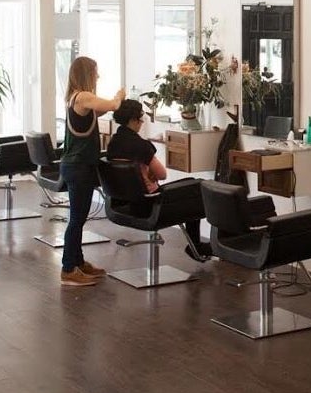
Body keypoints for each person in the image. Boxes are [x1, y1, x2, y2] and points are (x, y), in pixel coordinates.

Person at [107, 99, 210, 261]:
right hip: (151, 206)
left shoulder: (113, 143)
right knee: (197, 186)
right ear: (133, 120)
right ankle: (196, 245)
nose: (141, 123)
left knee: (191, 181)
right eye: (140, 119)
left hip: (123, 205)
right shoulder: (140, 145)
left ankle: (196, 245)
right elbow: (162, 174)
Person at [59, 57, 125, 286]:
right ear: (87, 73)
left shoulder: (74, 98)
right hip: (78, 167)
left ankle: (78, 261)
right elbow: (112, 106)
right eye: (95, 72)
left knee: (79, 217)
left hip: (77, 165)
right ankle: (68, 269)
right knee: (76, 220)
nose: (98, 76)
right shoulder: (83, 96)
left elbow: (97, 113)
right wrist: (120, 96)